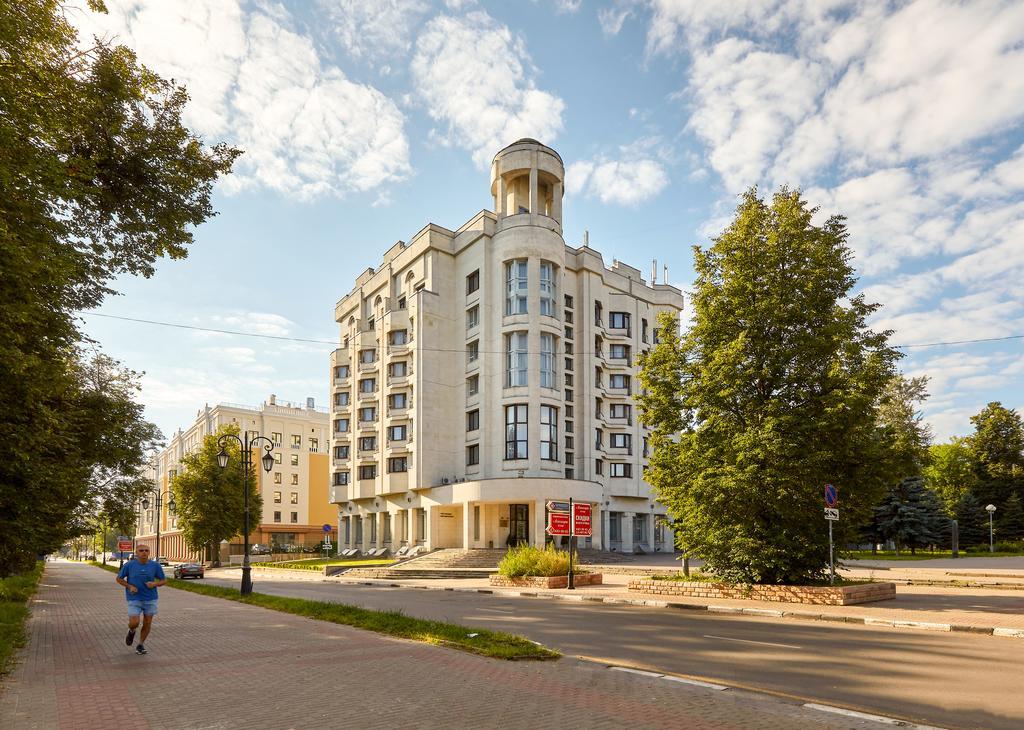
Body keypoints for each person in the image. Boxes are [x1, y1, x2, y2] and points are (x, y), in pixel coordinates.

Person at [115, 545, 166, 655]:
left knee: (147, 622)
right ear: (136, 552)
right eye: (141, 550)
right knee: (134, 622)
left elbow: (163, 580)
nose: (144, 552)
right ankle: (131, 631)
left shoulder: (155, 565)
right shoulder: (129, 565)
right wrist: (130, 587)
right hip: (134, 598)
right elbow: (119, 579)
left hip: (150, 598)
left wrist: (155, 584)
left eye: (146, 550)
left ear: (149, 552)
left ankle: (140, 644)